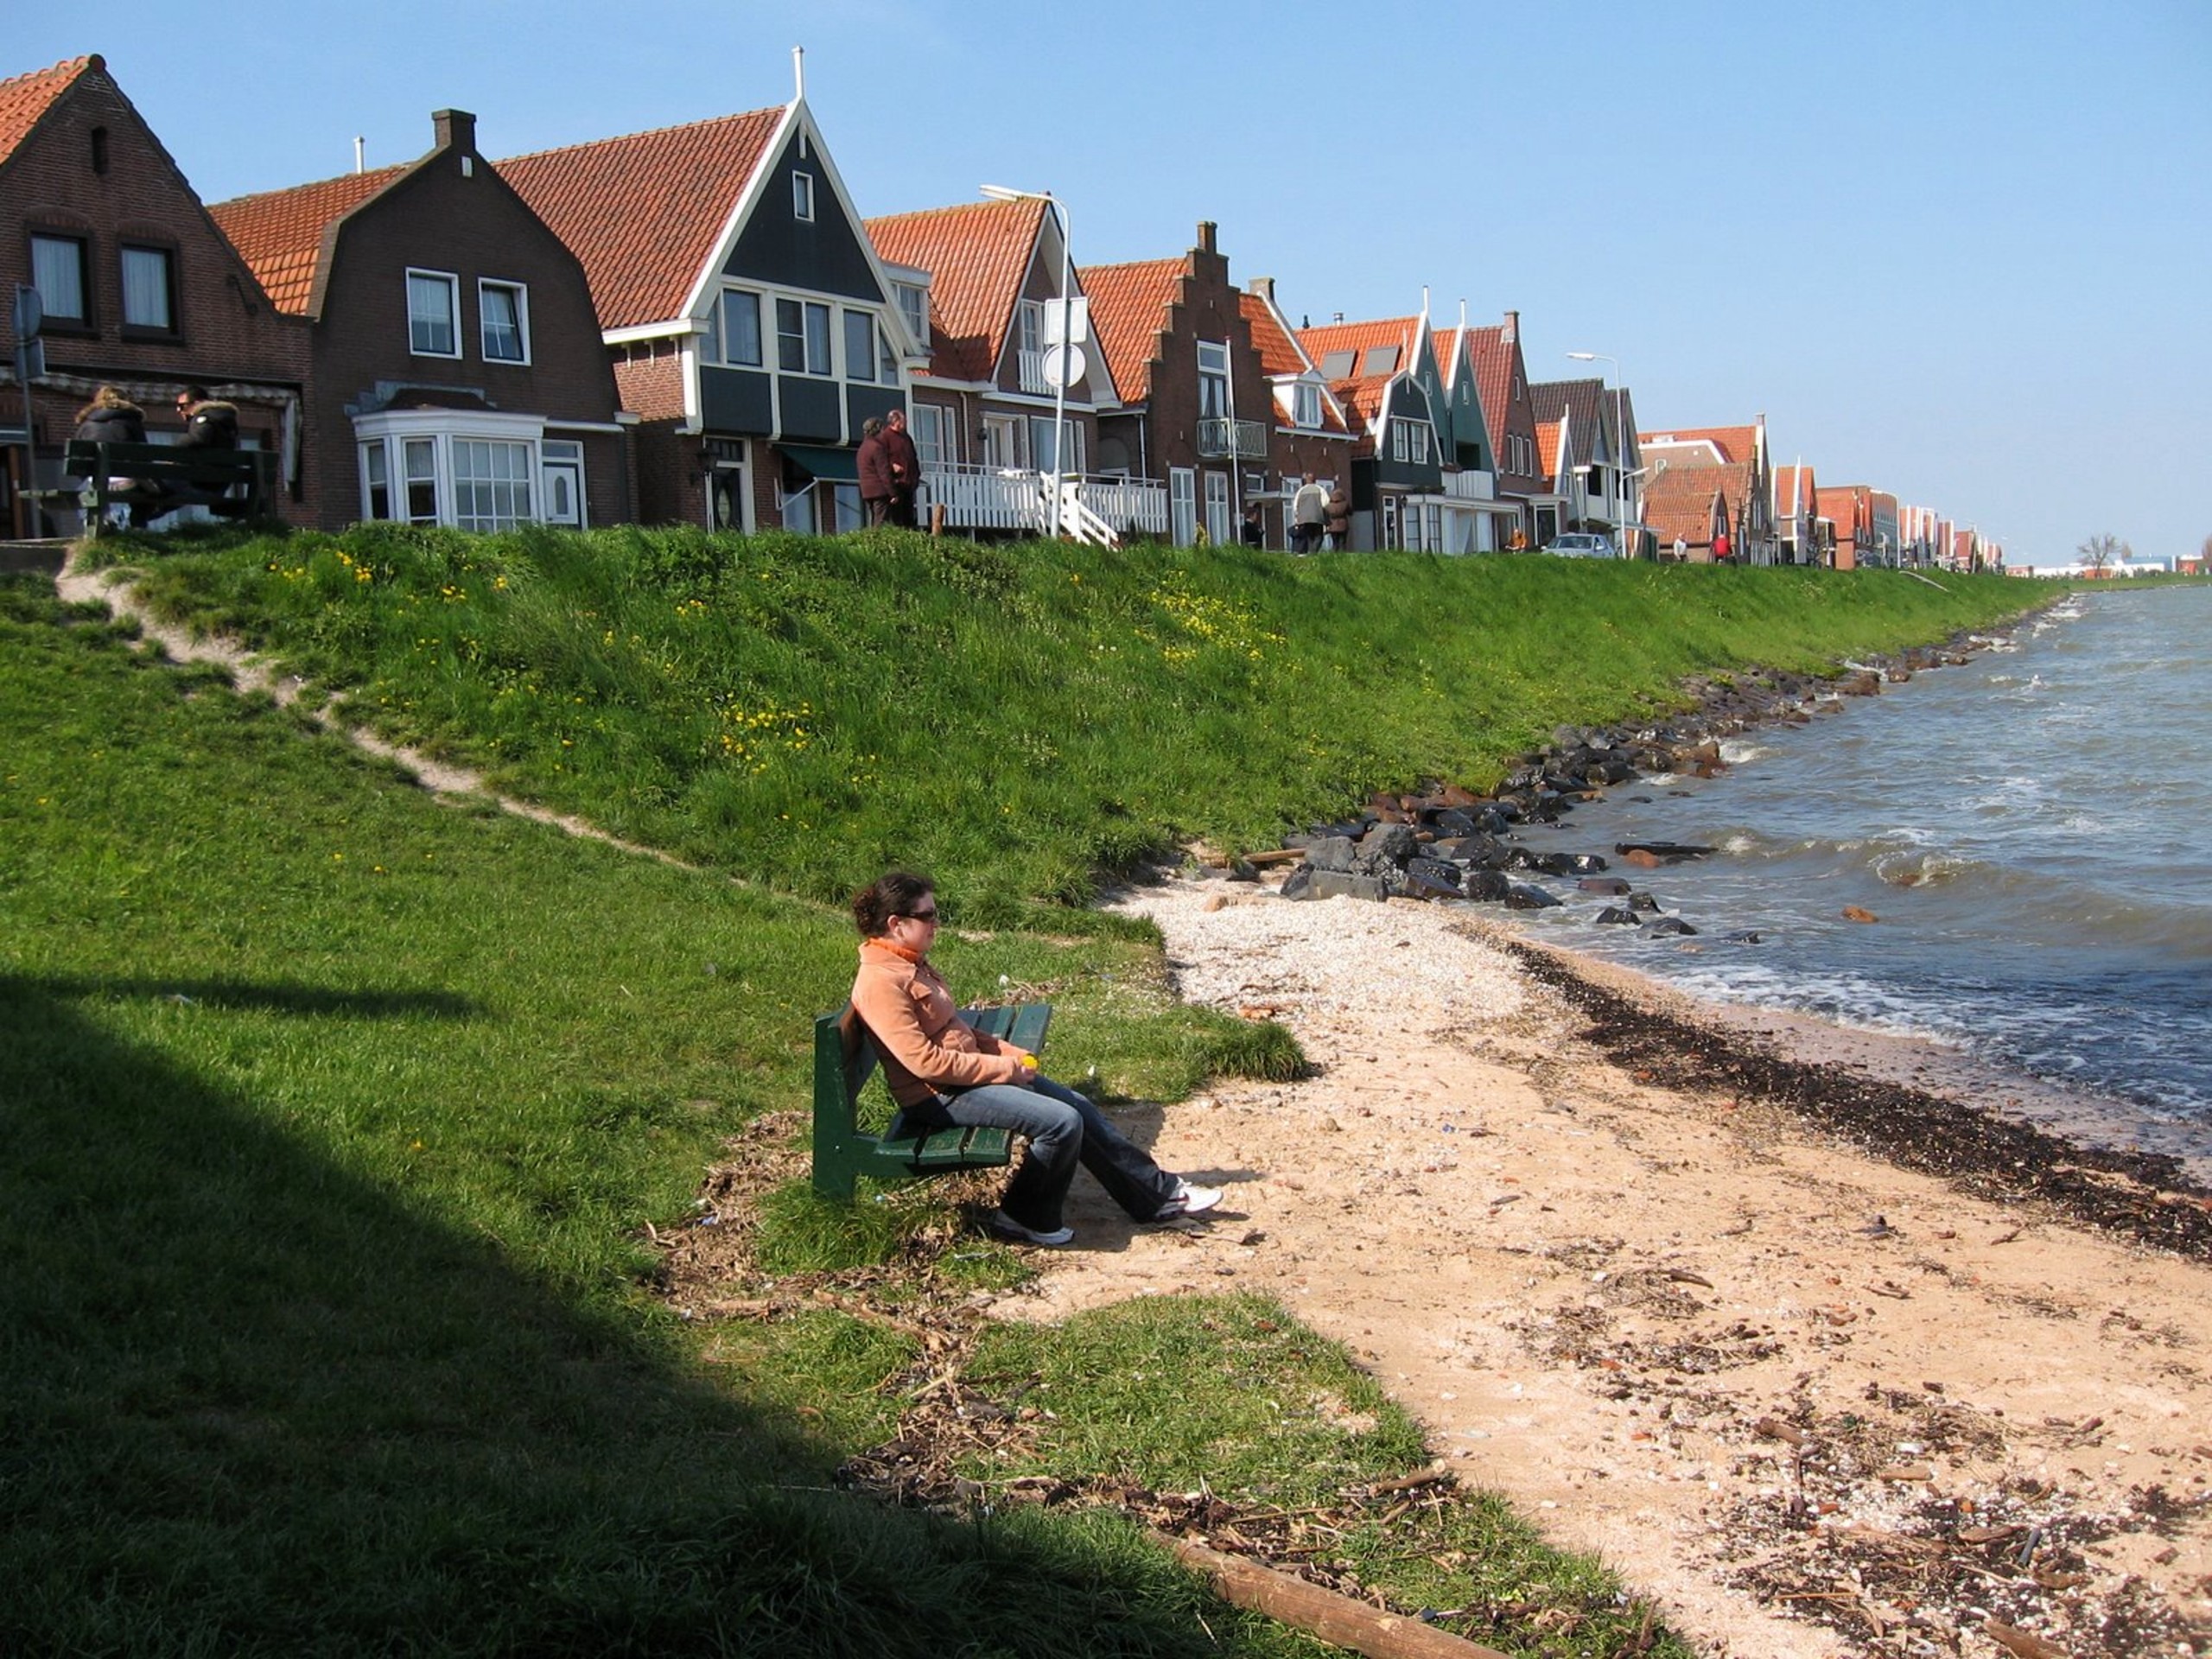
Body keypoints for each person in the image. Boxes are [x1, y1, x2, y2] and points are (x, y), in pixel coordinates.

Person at [848, 871, 1222, 1246]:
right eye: (927, 916)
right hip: (937, 1095)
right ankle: (1024, 1216)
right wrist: (1002, 1069)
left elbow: (951, 1025)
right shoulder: (882, 981)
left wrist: (1003, 1050)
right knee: (1061, 1123)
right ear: (896, 924)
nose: (936, 923)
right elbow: (923, 1062)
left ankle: (1158, 1196)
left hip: (963, 1078)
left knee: (1078, 1105)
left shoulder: (909, 962)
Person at [72, 386, 157, 528]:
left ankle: (95, 525)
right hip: (128, 482)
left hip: (95, 481)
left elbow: (79, 462)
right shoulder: (132, 422)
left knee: (83, 493)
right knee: (152, 493)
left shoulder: (86, 425)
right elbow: (144, 458)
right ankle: (138, 526)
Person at [881, 407, 921, 528]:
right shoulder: (885, 437)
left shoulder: (906, 437)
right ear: (895, 421)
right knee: (897, 517)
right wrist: (892, 466)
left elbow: (913, 456)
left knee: (909, 517)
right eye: (902, 421)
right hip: (897, 483)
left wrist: (916, 475)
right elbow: (880, 459)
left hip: (909, 482)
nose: (904, 424)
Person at [856, 416, 893, 527]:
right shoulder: (877, 447)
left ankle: (872, 539)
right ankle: (876, 542)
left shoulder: (862, 448)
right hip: (879, 490)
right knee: (881, 521)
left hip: (866, 490)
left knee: (874, 518)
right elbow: (884, 472)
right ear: (878, 430)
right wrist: (893, 492)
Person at [1289, 474, 1326, 554]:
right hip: (1317, 517)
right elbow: (1325, 503)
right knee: (1319, 536)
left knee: (1309, 537)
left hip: (1304, 519)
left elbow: (1295, 506)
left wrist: (1297, 519)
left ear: (1306, 481)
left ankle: (1310, 552)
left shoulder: (1301, 491)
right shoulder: (1320, 489)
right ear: (1315, 480)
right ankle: (1313, 552)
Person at [1323, 482, 1351, 551]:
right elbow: (1350, 512)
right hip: (1343, 525)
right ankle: (1343, 556)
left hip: (1332, 526)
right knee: (1343, 542)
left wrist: (1327, 524)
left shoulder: (1328, 506)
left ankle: (1334, 555)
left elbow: (1325, 516)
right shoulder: (1345, 504)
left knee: (1335, 542)